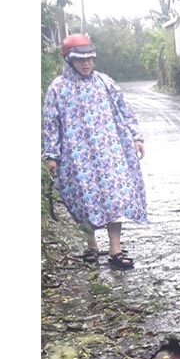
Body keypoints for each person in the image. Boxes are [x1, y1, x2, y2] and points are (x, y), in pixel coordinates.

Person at [43, 34, 147, 270]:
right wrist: (52, 155)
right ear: (69, 60)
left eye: (89, 58)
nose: (86, 64)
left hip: (109, 153)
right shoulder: (58, 89)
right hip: (76, 158)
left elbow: (124, 111)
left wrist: (136, 137)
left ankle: (115, 249)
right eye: (80, 60)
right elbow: (51, 124)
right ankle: (91, 245)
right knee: (83, 200)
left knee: (114, 198)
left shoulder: (105, 83)